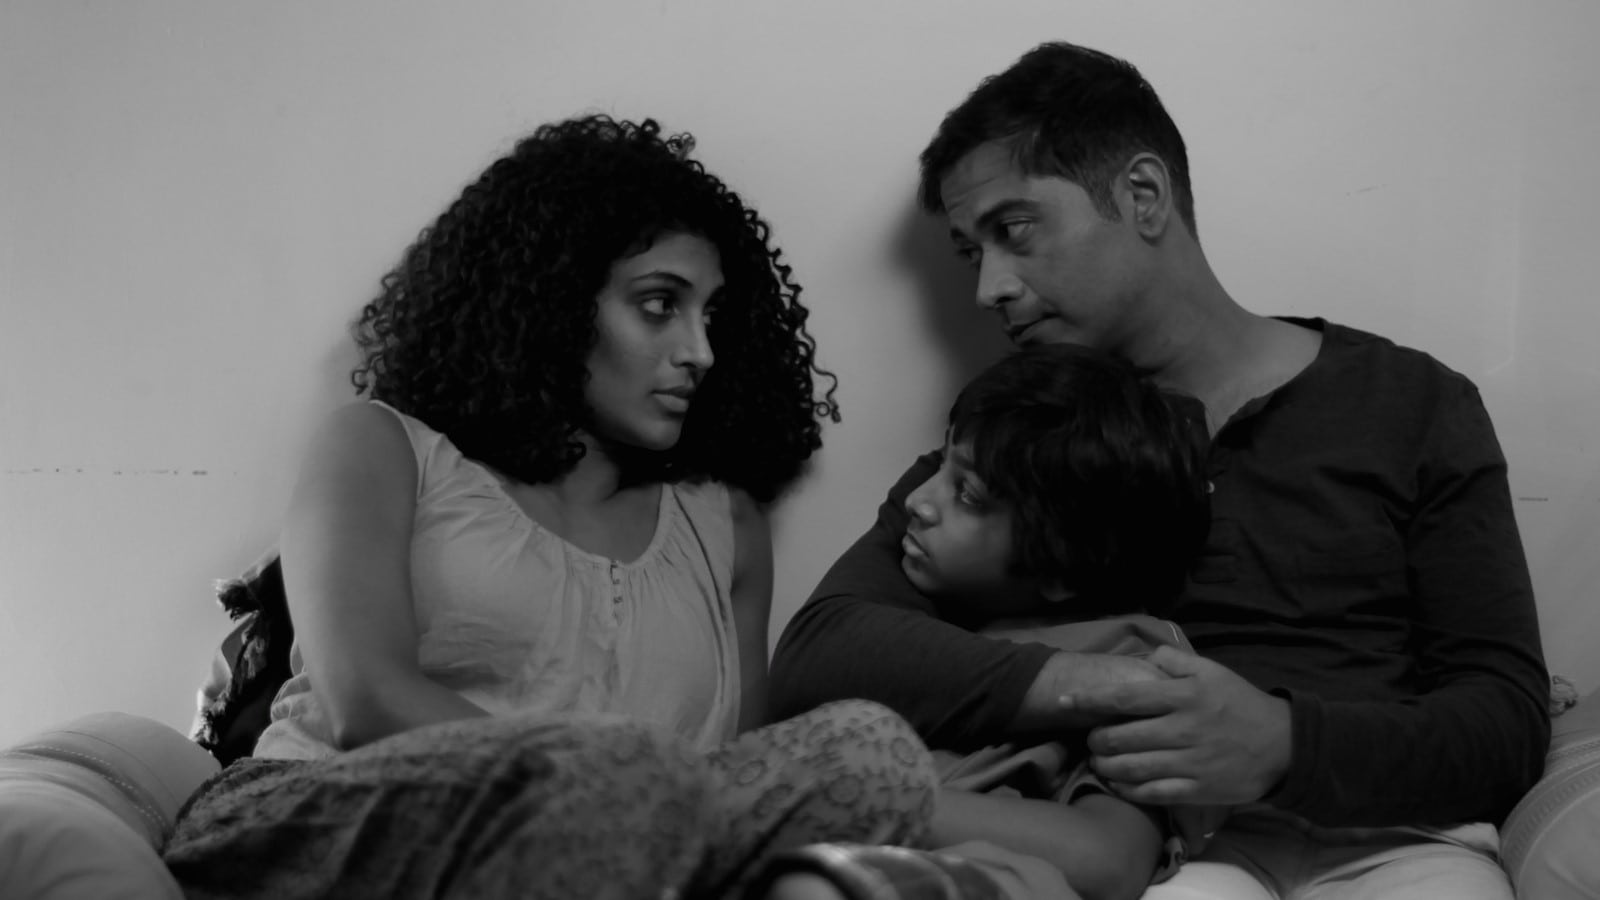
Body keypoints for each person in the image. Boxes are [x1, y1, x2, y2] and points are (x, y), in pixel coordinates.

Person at [769, 42, 1551, 899]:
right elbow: (821, 652)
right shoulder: (1012, 443)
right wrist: (1101, 684)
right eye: (970, 252)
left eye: (1015, 230)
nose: (990, 286)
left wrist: (1283, 743)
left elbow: (1505, 719)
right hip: (1170, 853)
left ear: (1142, 195)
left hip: (1395, 837)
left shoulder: (1411, 403)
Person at [162, 115, 935, 900]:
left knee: (872, 751)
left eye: (711, 316)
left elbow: (735, 779)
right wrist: (612, 776)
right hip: (330, 814)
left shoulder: (725, 525)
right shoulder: (381, 447)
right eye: (660, 305)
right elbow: (363, 700)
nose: (700, 351)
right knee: (629, 773)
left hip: (610, 848)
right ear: (554, 301)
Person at [762, 343, 1216, 900]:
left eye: (967, 494)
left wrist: (862, 799)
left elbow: (1107, 859)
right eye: (942, 465)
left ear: (1061, 565)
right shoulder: (927, 609)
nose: (918, 501)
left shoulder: (1133, 657)